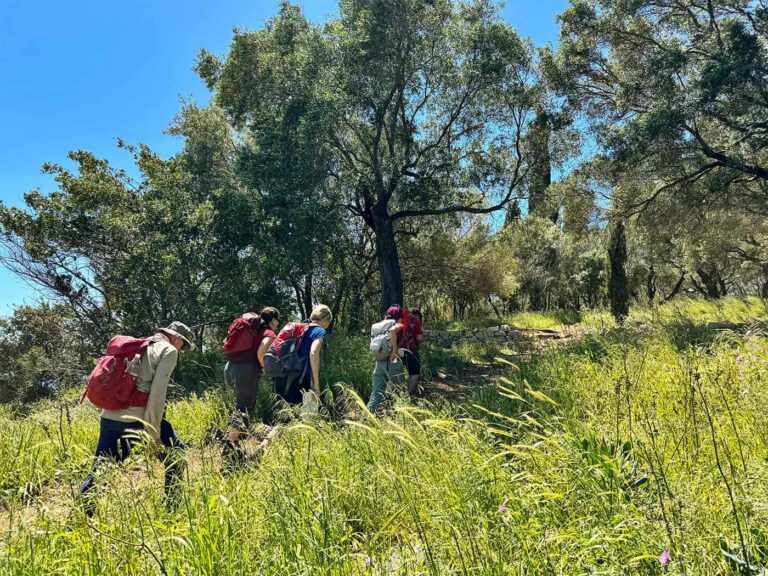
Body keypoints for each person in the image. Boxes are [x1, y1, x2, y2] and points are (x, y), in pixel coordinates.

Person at [80, 321, 194, 514]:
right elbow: (157, 396)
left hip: (109, 416)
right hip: (136, 419)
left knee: (101, 468)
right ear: (176, 338)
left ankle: (84, 516)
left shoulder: (141, 345)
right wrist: (153, 434)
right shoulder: (168, 351)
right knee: (177, 455)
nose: (180, 349)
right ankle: (172, 510)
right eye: (182, 344)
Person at [222, 307, 280, 465]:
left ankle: (232, 444)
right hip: (245, 370)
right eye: (277, 320)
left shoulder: (251, 328)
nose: (278, 323)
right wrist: (262, 368)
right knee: (244, 410)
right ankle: (228, 449)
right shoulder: (268, 333)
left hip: (231, 367)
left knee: (241, 407)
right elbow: (262, 352)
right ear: (272, 320)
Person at [274, 304, 333, 405]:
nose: (328, 325)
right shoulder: (319, 331)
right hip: (299, 376)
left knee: (282, 410)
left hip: (282, 372)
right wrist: (316, 383)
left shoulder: (301, 327)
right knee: (298, 412)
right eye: (328, 322)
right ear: (324, 319)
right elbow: (313, 353)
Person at [367, 305, 407, 415]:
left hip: (379, 363)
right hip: (393, 361)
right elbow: (393, 330)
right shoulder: (395, 324)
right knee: (401, 392)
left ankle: (366, 420)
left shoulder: (379, 327)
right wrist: (394, 350)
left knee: (375, 395)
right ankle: (403, 417)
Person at [401, 308, 425, 396]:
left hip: (396, 350)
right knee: (415, 373)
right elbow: (419, 338)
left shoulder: (399, 320)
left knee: (395, 374)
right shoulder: (416, 322)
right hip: (411, 350)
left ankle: (389, 396)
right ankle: (410, 394)